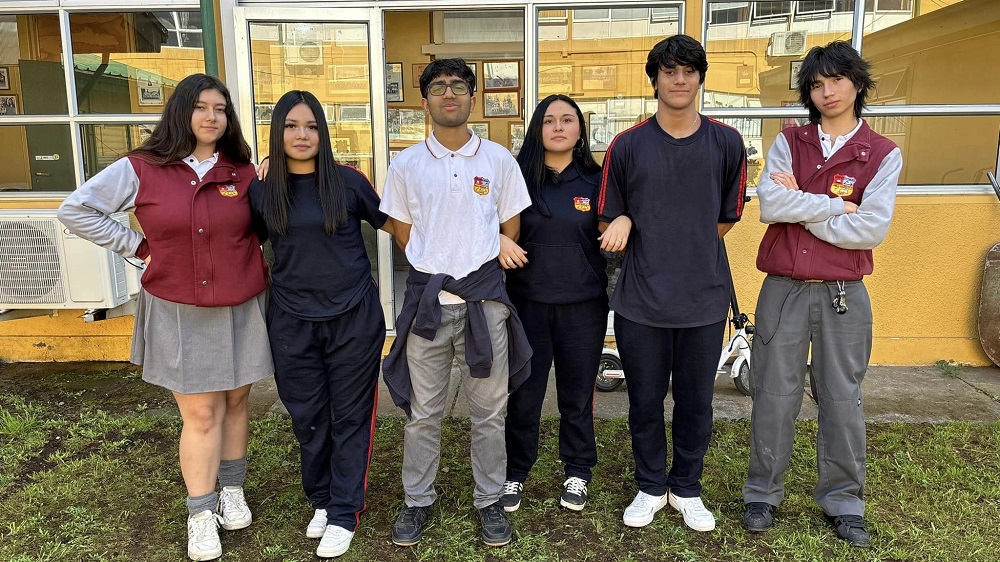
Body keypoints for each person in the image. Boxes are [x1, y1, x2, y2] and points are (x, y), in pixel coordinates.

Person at [58, 74, 271, 561]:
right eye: (200, 107)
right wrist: (136, 246)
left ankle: (232, 489)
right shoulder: (142, 167)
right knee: (200, 413)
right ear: (180, 111)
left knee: (237, 402)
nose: (211, 116)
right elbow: (77, 209)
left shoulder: (242, 171)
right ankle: (201, 510)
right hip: (178, 307)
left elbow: (263, 227)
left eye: (220, 108)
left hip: (241, 303)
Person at [742, 40, 901, 548]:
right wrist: (837, 208)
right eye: (816, 83)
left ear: (857, 83)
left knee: (841, 398)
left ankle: (844, 500)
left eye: (836, 79)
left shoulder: (882, 153)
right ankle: (762, 493)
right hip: (783, 290)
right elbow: (769, 205)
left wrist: (802, 206)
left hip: (843, 293)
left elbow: (870, 230)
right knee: (772, 395)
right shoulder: (791, 141)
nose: (826, 91)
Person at [379, 58, 533, 548]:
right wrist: (438, 269)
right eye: (439, 87)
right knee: (424, 413)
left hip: (484, 306)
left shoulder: (498, 161)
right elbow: (403, 233)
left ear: (472, 98)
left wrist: (478, 266)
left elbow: (512, 226)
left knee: (489, 412)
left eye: (459, 86)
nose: (449, 94)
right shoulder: (406, 164)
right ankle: (416, 500)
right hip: (429, 307)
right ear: (424, 101)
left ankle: (490, 501)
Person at [597, 35, 747, 532]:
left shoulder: (726, 143)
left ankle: (686, 487)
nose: (678, 80)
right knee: (643, 400)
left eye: (688, 70)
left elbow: (725, 218)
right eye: (669, 71)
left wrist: (686, 242)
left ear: (700, 77)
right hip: (642, 300)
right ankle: (649, 485)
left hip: (703, 298)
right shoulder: (629, 144)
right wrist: (622, 222)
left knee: (696, 402)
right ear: (655, 79)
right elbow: (608, 215)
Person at [248, 90, 391, 558]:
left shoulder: (349, 183)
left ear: (323, 132)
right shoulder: (263, 190)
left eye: (310, 126)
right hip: (291, 319)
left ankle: (345, 510)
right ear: (278, 133)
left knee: (350, 415)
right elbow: (249, 241)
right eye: (291, 126)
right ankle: (323, 498)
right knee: (307, 415)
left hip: (353, 317)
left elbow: (397, 226)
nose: (302, 135)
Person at [498, 94, 618, 513]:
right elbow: (484, 218)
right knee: (525, 393)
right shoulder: (517, 177)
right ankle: (515, 472)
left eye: (568, 120)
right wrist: (496, 239)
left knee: (576, 393)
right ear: (538, 129)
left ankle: (578, 470)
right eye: (549, 120)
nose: (559, 127)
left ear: (580, 130)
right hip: (527, 302)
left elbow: (619, 222)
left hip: (582, 304)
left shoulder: (596, 179)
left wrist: (625, 218)